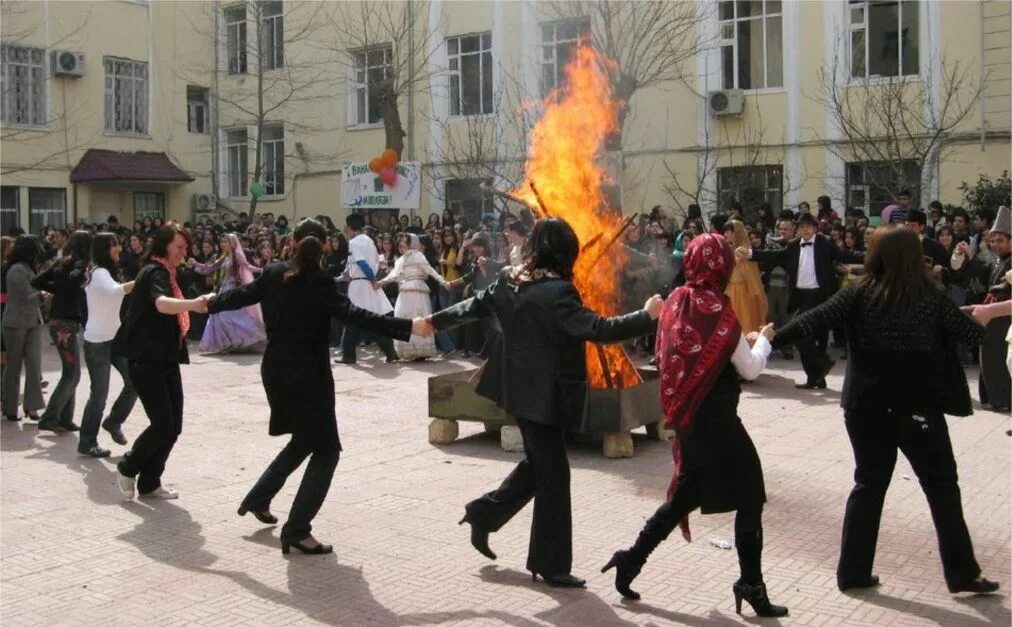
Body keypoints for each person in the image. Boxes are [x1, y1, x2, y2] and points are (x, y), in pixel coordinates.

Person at [430, 217, 662, 588]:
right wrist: (646, 316)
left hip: (516, 390)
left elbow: (472, 306)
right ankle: (549, 564)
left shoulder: (510, 280)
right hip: (545, 396)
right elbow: (599, 330)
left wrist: (432, 321)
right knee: (554, 474)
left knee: (541, 465)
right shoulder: (558, 292)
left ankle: (484, 514)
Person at [773, 226, 1000, 595]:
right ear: (914, 256)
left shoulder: (860, 293)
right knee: (941, 488)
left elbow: (812, 319)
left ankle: (853, 572)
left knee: (868, 485)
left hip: (865, 408)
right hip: (918, 411)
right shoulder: (930, 295)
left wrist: (770, 338)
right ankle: (961, 573)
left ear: (875, 255)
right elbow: (970, 335)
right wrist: (983, 316)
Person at [207, 219, 425, 555]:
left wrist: (205, 302)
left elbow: (238, 295)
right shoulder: (319, 282)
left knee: (303, 441)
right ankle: (297, 530)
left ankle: (258, 497)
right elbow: (356, 315)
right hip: (307, 375)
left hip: (275, 370)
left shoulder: (274, 272)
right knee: (326, 451)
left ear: (292, 242)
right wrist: (409, 326)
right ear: (324, 246)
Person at [602, 233, 786, 618]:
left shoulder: (674, 302)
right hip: (720, 422)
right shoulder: (720, 310)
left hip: (687, 421)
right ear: (722, 266)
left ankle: (630, 559)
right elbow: (749, 368)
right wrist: (764, 341)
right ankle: (751, 584)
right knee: (751, 497)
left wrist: (740, 344)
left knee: (683, 498)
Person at [115, 223, 210, 501]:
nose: (183, 252)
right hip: (146, 360)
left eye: (185, 247)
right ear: (164, 246)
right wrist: (193, 304)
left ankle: (150, 482)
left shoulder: (168, 272)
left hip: (165, 358)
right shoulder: (154, 272)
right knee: (162, 424)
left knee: (173, 425)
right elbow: (161, 304)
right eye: (179, 247)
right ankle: (128, 465)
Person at [743, 213, 863, 389]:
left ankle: (817, 378)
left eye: (808, 226)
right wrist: (751, 254)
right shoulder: (792, 245)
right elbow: (774, 256)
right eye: (802, 227)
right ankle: (821, 365)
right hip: (801, 297)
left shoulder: (825, 243)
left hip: (821, 296)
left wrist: (869, 255)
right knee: (800, 335)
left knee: (819, 338)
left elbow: (846, 255)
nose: (805, 229)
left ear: (815, 228)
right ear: (797, 230)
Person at [79, 233, 138, 457]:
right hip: (97, 342)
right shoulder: (99, 272)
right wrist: (141, 280)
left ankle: (113, 422)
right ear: (105, 248)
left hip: (115, 338)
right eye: (115, 245)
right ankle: (86, 442)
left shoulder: (106, 272)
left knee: (134, 383)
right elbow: (115, 291)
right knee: (99, 395)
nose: (119, 248)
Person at [32, 231, 92, 434]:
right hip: (65, 325)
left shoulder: (60, 263)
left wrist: (58, 288)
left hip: (59, 321)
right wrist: (74, 282)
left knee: (70, 373)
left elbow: (37, 282)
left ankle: (65, 419)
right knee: (72, 374)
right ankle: (50, 418)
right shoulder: (78, 264)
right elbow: (74, 278)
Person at [188, 233, 266, 353]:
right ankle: (228, 343)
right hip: (223, 289)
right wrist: (196, 264)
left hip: (232, 288)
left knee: (227, 316)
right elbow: (210, 267)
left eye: (226, 242)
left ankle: (237, 341)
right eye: (223, 242)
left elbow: (248, 267)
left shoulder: (237, 256)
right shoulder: (224, 256)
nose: (223, 244)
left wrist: (263, 270)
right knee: (218, 315)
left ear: (232, 243)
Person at [378, 233, 448, 361]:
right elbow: (394, 275)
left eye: (405, 241)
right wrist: (380, 283)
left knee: (419, 317)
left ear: (412, 243)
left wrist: (443, 282)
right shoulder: (401, 259)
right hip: (405, 292)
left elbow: (430, 270)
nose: (402, 243)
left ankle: (421, 351)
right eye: (402, 241)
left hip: (418, 290)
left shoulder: (418, 255)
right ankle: (407, 350)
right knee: (404, 317)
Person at [338, 214, 397, 364]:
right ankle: (390, 351)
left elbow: (362, 263)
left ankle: (349, 355)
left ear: (350, 228)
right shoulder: (369, 241)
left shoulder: (354, 242)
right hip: (367, 283)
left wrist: (372, 279)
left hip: (360, 285)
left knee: (352, 320)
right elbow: (375, 262)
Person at [2, 235, 46, 422]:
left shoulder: (27, 268)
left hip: (33, 321)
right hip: (16, 322)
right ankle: (10, 407)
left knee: (34, 365)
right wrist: (44, 295)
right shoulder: (16, 270)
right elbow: (26, 296)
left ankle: (33, 406)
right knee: (13, 366)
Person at [976, 206, 1011, 410]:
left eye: (1000, 240)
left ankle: (1004, 400)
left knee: (1001, 359)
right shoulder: (997, 260)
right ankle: (994, 398)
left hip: (1006, 316)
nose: (996, 244)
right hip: (993, 314)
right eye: (993, 240)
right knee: (990, 357)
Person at [723, 220, 768, 336]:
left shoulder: (742, 250)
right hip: (733, 290)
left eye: (728, 231)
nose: (725, 234)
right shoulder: (735, 249)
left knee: (743, 322)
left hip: (742, 291)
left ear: (735, 232)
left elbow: (746, 273)